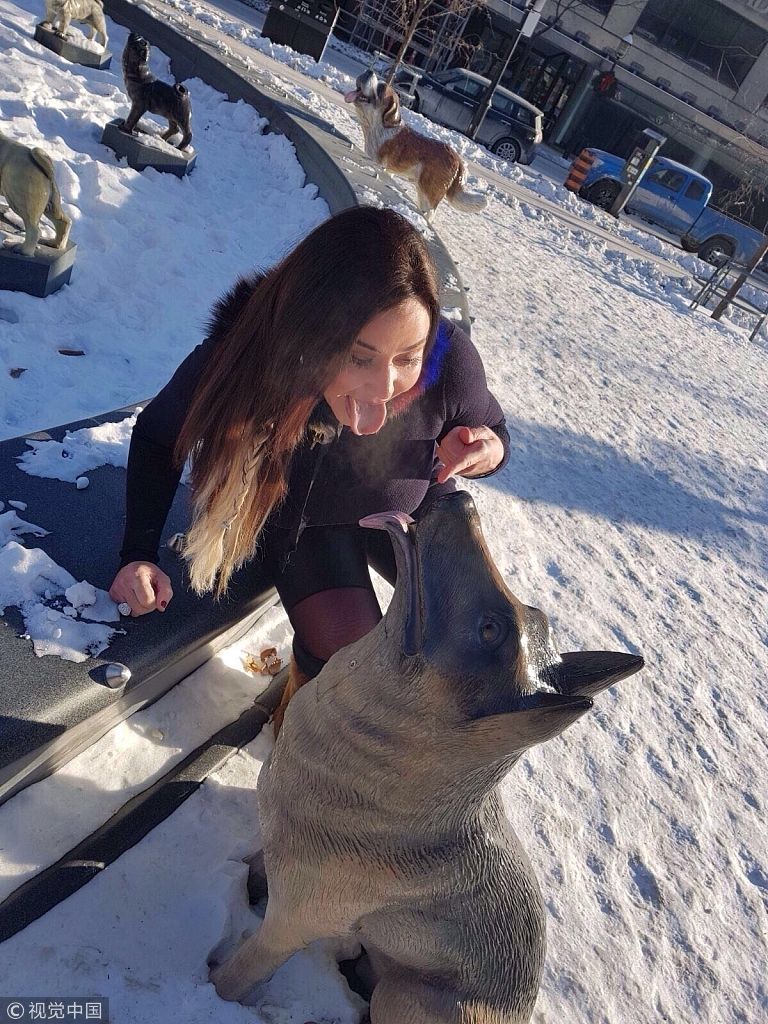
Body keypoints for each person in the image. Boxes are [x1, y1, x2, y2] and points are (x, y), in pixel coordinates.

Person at [109, 207, 510, 731]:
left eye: (407, 356)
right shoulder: (251, 355)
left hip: (411, 507)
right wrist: (136, 553)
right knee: (355, 666)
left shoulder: (449, 361)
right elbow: (160, 433)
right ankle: (301, 722)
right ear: (311, 331)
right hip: (306, 520)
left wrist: (485, 451)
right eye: (360, 357)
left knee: (482, 631)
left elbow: (495, 429)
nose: (384, 387)